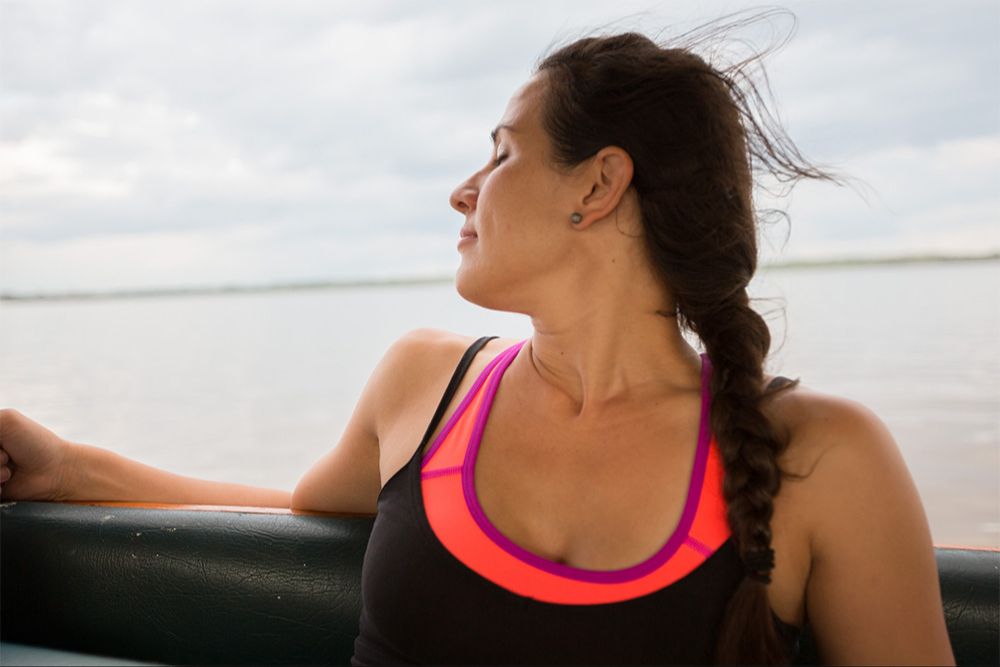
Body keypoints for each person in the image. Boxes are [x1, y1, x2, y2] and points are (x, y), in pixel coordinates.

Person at [0, 17, 955, 666]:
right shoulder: (423, 383)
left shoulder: (826, 458)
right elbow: (299, 510)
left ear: (598, 185)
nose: (463, 190)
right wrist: (67, 468)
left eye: (500, 153)